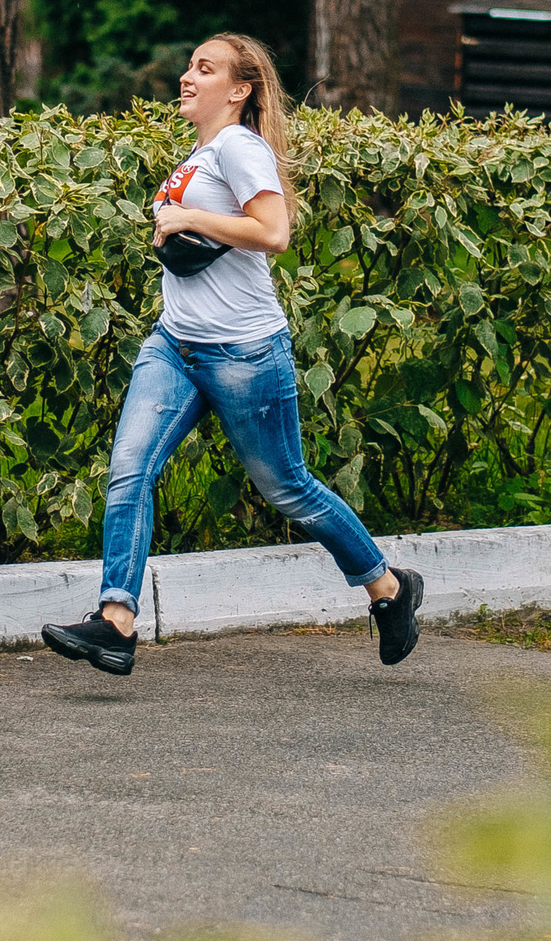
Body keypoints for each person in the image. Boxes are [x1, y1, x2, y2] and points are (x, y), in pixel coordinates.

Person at [40, 34, 423, 677]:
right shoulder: (200, 152)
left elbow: (273, 232)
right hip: (174, 344)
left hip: (243, 352)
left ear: (239, 90)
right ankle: (116, 621)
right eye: (190, 64)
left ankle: (388, 587)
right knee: (129, 472)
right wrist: (182, 219)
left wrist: (188, 217)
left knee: (289, 488)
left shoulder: (240, 147)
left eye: (205, 68)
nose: (187, 76)